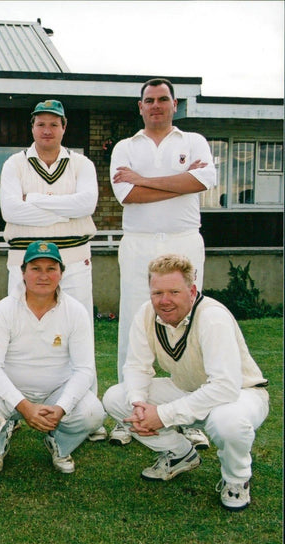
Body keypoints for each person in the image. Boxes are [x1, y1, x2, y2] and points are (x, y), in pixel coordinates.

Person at [102, 254, 269, 511]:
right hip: (185, 389)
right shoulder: (146, 314)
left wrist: (163, 415)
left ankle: (236, 480)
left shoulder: (212, 316)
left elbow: (224, 386)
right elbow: (137, 366)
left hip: (240, 395)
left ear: (192, 291)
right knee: (116, 397)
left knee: (228, 423)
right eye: (157, 292)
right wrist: (138, 403)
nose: (164, 300)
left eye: (174, 292)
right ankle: (180, 454)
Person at [109, 78, 216, 448]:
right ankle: (128, 409)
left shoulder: (194, 141)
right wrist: (177, 181)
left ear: (174, 104)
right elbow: (128, 194)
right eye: (149, 100)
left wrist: (146, 179)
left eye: (163, 99)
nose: (156, 105)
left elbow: (202, 182)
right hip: (139, 244)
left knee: (190, 320)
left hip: (184, 240)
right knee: (133, 320)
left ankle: (192, 416)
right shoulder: (125, 147)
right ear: (140, 107)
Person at [0, 99, 106, 442]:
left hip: (74, 259)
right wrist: (64, 210)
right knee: (16, 328)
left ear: (64, 127)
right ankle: (12, 407)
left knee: (79, 327)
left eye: (54, 124)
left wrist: (33, 201)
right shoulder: (15, 164)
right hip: (22, 262)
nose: (47, 130)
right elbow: (10, 210)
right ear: (32, 127)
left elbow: (87, 205)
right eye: (41, 124)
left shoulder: (82, 164)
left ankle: (82, 405)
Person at [0, 241, 105, 475]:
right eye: (36, 268)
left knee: (93, 413)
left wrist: (61, 407)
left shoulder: (76, 311)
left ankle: (59, 443)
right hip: (10, 396)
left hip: (55, 393)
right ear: (23, 272)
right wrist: (24, 407)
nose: (43, 276)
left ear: (61, 273)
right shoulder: (4, 309)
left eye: (51, 268)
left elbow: (85, 370)